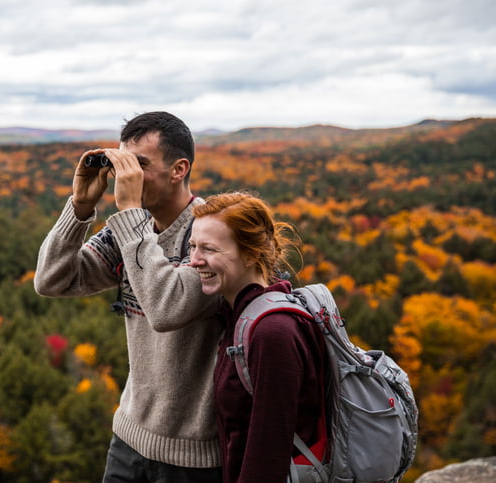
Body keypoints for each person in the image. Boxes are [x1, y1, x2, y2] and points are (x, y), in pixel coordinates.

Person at [34, 111, 223, 482]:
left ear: (179, 169)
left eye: (139, 165)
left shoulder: (211, 235)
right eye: (122, 164)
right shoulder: (131, 230)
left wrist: (129, 214)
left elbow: (166, 309)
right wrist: (80, 207)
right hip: (128, 440)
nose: (126, 176)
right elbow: (52, 280)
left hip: (194, 457)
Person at [188, 192, 328, 483]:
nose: (194, 261)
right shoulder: (242, 315)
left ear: (251, 254)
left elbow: (268, 455)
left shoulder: (272, 333)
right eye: (192, 246)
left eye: (209, 249)